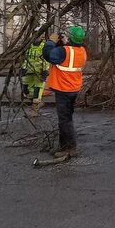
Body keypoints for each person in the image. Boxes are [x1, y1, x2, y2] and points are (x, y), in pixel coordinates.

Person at [43, 25, 87, 157]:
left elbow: (48, 55)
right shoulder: (82, 51)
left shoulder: (64, 51)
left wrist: (51, 41)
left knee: (64, 119)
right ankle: (63, 147)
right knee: (66, 118)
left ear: (71, 39)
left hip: (63, 89)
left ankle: (70, 148)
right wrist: (62, 43)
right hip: (74, 88)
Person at [21, 35, 48, 114]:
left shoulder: (44, 46)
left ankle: (34, 111)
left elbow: (46, 60)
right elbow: (27, 58)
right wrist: (23, 68)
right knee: (25, 90)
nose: (36, 37)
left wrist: (45, 71)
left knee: (37, 91)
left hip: (39, 73)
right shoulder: (29, 46)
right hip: (29, 71)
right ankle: (38, 103)